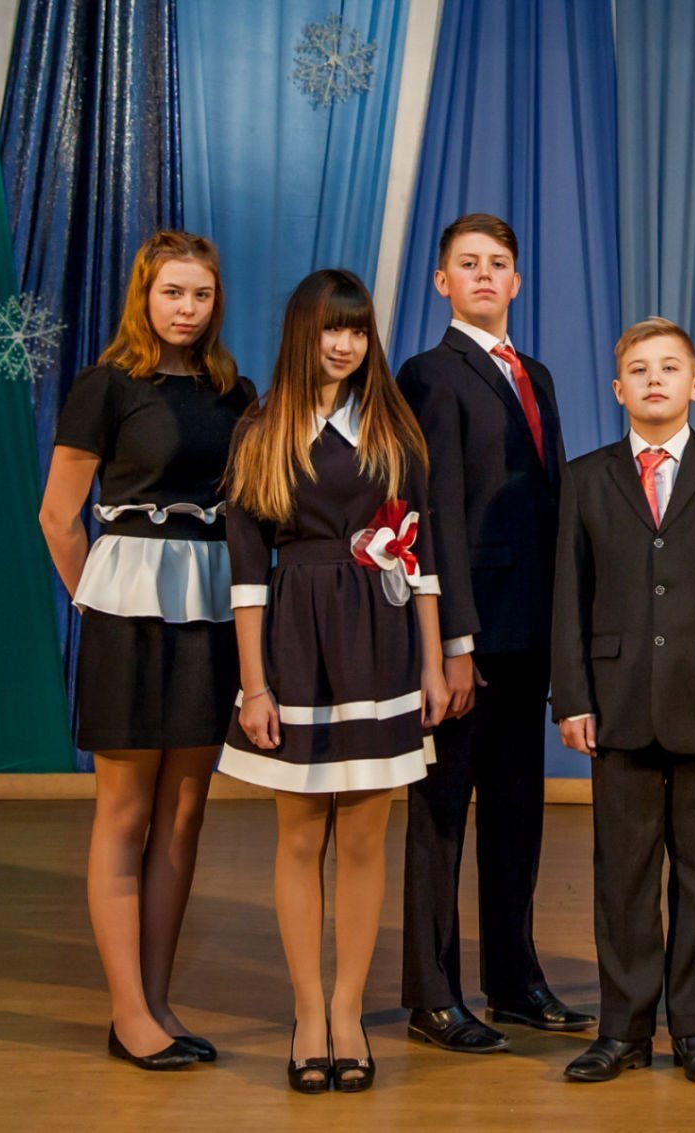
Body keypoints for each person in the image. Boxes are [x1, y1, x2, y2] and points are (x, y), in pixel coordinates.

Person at [220, 269, 449, 1094]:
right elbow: (247, 574)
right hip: (296, 643)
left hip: (383, 643)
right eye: (329, 329)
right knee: (299, 835)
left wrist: (433, 662)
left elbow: (419, 556)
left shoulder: (393, 427)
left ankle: (349, 1011)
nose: (344, 343)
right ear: (301, 334)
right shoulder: (260, 430)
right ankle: (307, 1011)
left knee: (362, 838)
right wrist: (254, 685)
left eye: (356, 329)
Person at [39, 230, 253, 1070]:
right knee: (125, 813)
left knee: (186, 810)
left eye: (201, 294)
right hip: (126, 610)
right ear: (144, 295)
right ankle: (128, 1012)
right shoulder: (106, 385)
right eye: (172, 292)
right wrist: (96, 599)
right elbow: (59, 517)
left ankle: (159, 1002)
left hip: (208, 608)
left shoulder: (235, 392)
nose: (187, 308)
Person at [551, 317, 695, 1085]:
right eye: (639, 369)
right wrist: (572, 695)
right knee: (623, 875)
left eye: (669, 367)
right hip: (615, 705)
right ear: (618, 389)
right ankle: (623, 1029)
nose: (654, 379)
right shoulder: (585, 477)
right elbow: (568, 595)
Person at [396, 214, 590, 1053]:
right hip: (467, 636)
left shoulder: (533, 373)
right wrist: (454, 641)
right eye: (467, 263)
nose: (484, 274)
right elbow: (434, 510)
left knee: (517, 810)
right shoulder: (429, 373)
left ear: (516, 280)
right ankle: (432, 993)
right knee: (442, 814)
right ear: (443, 282)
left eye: (498, 263)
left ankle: (514, 979)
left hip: (529, 628)